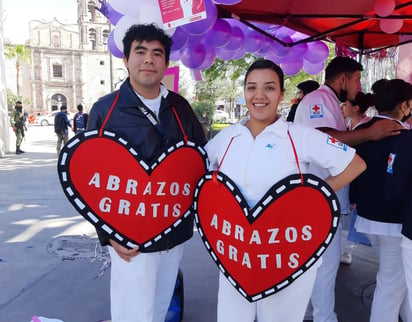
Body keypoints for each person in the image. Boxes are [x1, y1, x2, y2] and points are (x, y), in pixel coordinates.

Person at [205, 59, 366, 322]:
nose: (259, 96)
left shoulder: (299, 135)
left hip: (286, 253)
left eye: (269, 88)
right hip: (236, 256)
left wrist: (315, 194)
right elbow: (201, 175)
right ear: (244, 92)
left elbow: (354, 164)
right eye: (251, 87)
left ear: (281, 94)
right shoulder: (227, 138)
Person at [86, 23, 206, 322]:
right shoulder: (105, 110)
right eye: (140, 52)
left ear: (166, 61)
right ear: (126, 59)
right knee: (132, 314)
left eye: (157, 53)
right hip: (129, 238)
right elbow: (87, 177)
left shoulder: (181, 108)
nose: (149, 60)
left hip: (173, 234)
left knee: (160, 306)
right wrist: (107, 234)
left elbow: (200, 161)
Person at [293, 56, 403, 322]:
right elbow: (323, 138)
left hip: (330, 196)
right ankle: (324, 318)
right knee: (325, 267)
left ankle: (310, 313)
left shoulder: (332, 103)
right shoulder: (318, 100)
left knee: (320, 267)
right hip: (317, 197)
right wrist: (368, 133)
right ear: (342, 78)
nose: (358, 86)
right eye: (356, 79)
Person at [351, 79, 412, 322]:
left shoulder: (359, 132)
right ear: (405, 105)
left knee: (398, 281)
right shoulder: (402, 135)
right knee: (391, 284)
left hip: (366, 217)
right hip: (394, 223)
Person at [340, 91, 374, 265]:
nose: (342, 107)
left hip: (360, 174)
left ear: (356, 108)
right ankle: (343, 247)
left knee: (354, 213)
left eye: (345, 104)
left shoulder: (368, 127)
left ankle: (348, 249)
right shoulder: (344, 123)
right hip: (346, 174)